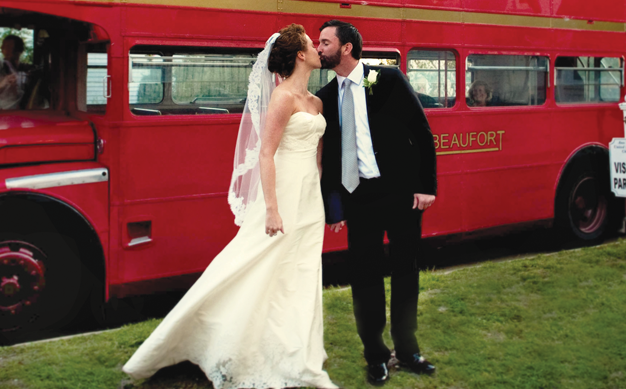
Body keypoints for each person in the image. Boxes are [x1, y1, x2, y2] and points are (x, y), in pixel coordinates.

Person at [123, 25, 337, 389]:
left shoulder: (315, 103)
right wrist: (271, 208)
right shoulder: (283, 97)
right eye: (311, 44)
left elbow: (317, 156)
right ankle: (194, 333)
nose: (319, 49)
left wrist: (320, 195)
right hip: (282, 192)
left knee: (301, 270)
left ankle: (298, 354)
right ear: (301, 55)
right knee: (248, 261)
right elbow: (266, 154)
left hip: (309, 197)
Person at [316, 20, 437, 385]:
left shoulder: (387, 79)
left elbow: (420, 130)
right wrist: (334, 208)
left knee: (405, 272)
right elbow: (329, 157)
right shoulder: (325, 96)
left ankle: (408, 350)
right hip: (359, 199)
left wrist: (425, 186)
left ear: (346, 48)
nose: (319, 48)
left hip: (401, 194)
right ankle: (376, 356)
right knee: (364, 278)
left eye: (325, 42)